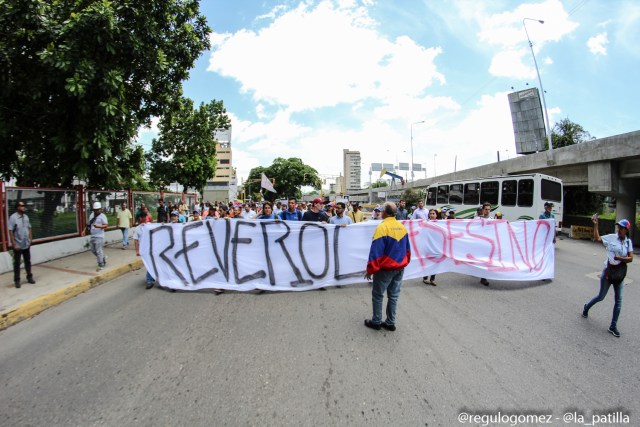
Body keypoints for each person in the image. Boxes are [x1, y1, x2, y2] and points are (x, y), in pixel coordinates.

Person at [582, 218, 634, 338]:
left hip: (619, 274)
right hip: (608, 272)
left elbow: (630, 258)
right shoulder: (612, 237)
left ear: (626, 230)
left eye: (621, 228)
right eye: (618, 227)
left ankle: (613, 326)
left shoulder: (628, 242)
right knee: (601, 297)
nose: (619, 230)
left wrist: (619, 258)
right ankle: (586, 307)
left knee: (619, 301)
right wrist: (596, 225)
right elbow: (597, 238)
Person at [364, 202, 411, 332]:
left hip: (385, 269)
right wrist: (404, 263)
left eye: (382, 210)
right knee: (394, 296)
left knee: (378, 295)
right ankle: (390, 322)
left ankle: (376, 321)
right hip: (399, 268)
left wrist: (370, 269)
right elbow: (407, 250)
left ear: (385, 212)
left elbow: (376, 252)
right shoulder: (402, 227)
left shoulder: (382, 227)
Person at [8, 200, 35, 288]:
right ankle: (17, 280)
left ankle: (29, 277)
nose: (24, 207)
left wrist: (30, 239)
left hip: (26, 244)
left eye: (24, 205)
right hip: (18, 245)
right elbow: (11, 231)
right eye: (22, 205)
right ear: (18, 207)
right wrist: (14, 244)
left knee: (28, 261)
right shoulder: (13, 218)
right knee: (17, 263)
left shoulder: (26, 217)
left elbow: (29, 227)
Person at [134, 216, 156, 289]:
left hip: (152, 248)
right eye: (142, 218)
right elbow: (136, 240)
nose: (144, 220)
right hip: (144, 249)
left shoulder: (150, 226)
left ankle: (151, 277)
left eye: (145, 218)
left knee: (152, 263)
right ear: (140, 219)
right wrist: (137, 250)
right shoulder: (137, 229)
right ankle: (149, 280)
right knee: (149, 263)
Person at [88, 201, 109, 271]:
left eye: (98, 209)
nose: (97, 211)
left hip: (99, 236)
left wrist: (98, 226)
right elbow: (89, 224)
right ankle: (102, 258)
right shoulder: (91, 215)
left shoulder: (102, 216)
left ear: (100, 209)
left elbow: (106, 225)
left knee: (98, 250)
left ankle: (101, 264)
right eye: (95, 210)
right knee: (93, 250)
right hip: (93, 235)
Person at [476, 202, 492, 286]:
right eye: (486, 209)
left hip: (488, 244)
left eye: (489, 209)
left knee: (485, 261)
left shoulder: (492, 220)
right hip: (479, 243)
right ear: (483, 210)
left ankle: (483, 278)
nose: (488, 211)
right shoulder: (477, 219)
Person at [423, 208, 439, 286]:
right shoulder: (426, 223)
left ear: (436, 215)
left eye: (433, 213)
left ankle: (432, 279)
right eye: (431, 213)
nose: (432, 215)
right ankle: (425, 278)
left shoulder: (440, 223)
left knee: (435, 263)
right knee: (427, 262)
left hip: (436, 246)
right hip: (428, 246)